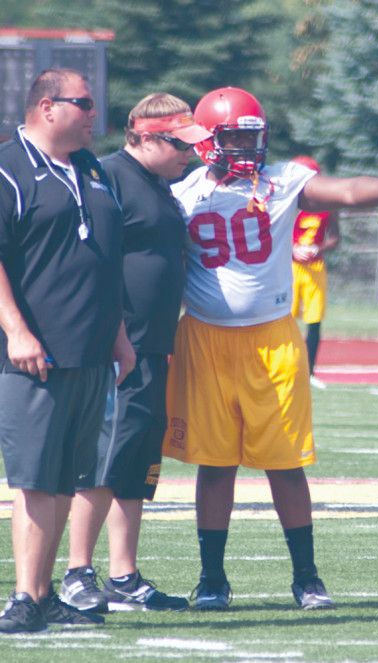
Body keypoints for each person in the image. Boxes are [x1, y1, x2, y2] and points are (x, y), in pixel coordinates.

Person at [161, 86, 378, 611]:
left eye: (252, 136)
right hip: (204, 337)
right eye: (235, 138)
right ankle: (212, 578)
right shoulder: (181, 194)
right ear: (206, 143)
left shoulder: (283, 182)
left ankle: (307, 576)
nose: (248, 147)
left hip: (272, 337)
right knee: (214, 464)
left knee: (285, 463)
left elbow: (345, 191)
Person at [59, 93, 213, 614]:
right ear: (145, 137)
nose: (189, 154)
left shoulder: (157, 184)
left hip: (152, 347)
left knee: (136, 465)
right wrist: (113, 335)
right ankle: (78, 572)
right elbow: (89, 261)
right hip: (118, 348)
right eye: (180, 144)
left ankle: (124, 573)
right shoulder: (108, 177)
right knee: (103, 461)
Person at [0, 68, 136, 634]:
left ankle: (45, 592)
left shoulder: (90, 168)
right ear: (48, 106)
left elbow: (103, 259)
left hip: (89, 350)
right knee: (35, 477)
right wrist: (17, 331)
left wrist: (119, 335)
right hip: (35, 352)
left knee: (63, 478)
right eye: (84, 104)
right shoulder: (9, 169)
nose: (93, 115)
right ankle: (23, 598)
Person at [291, 156, 340, 389]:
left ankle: (309, 372)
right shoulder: (286, 201)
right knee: (283, 319)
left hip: (315, 267)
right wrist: (292, 248)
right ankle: (285, 368)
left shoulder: (328, 204)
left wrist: (317, 248)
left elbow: (336, 239)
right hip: (288, 266)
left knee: (314, 320)